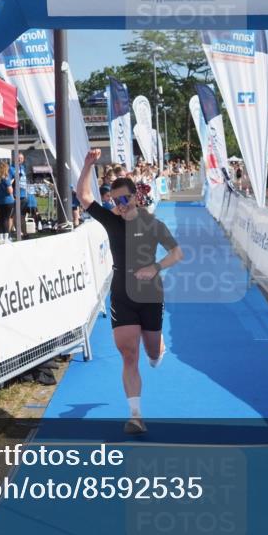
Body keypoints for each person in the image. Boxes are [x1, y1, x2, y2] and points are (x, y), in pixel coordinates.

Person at [76, 148, 183, 434]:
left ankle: (158, 350)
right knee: (128, 353)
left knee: (151, 352)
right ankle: (136, 415)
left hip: (150, 294)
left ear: (135, 196)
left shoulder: (152, 224)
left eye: (124, 199)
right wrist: (88, 165)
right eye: (114, 200)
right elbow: (84, 197)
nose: (119, 205)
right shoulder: (110, 220)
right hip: (122, 291)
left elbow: (177, 253)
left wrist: (157, 267)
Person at [0, 162, 15, 244]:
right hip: (8, 201)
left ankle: (0, 238)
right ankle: (6, 238)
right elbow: (10, 191)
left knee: (1, 219)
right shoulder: (6, 178)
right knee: (6, 219)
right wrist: (11, 186)